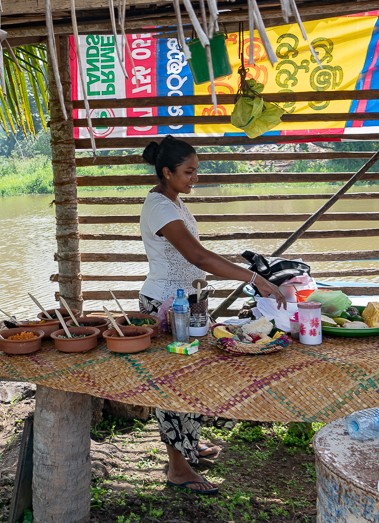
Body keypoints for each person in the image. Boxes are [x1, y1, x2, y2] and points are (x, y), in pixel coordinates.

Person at [139, 135, 283, 496]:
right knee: (173, 383)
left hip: (186, 303)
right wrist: (255, 278)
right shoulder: (159, 207)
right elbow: (199, 256)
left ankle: (188, 445)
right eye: (189, 171)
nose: (195, 177)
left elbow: (198, 257)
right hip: (165, 306)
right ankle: (178, 468)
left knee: (189, 376)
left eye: (196, 171)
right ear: (167, 172)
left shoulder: (174, 202)